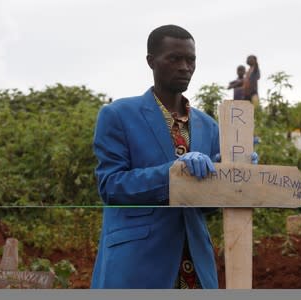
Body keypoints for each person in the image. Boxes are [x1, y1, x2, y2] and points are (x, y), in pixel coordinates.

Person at [90, 25, 220, 289]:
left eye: (191, 59)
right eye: (174, 58)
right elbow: (111, 186)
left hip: (195, 265)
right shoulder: (118, 115)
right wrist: (173, 173)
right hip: (138, 264)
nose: (185, 66)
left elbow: (208, 205)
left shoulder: (208, 125)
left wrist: (233, 176)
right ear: (151, 61)